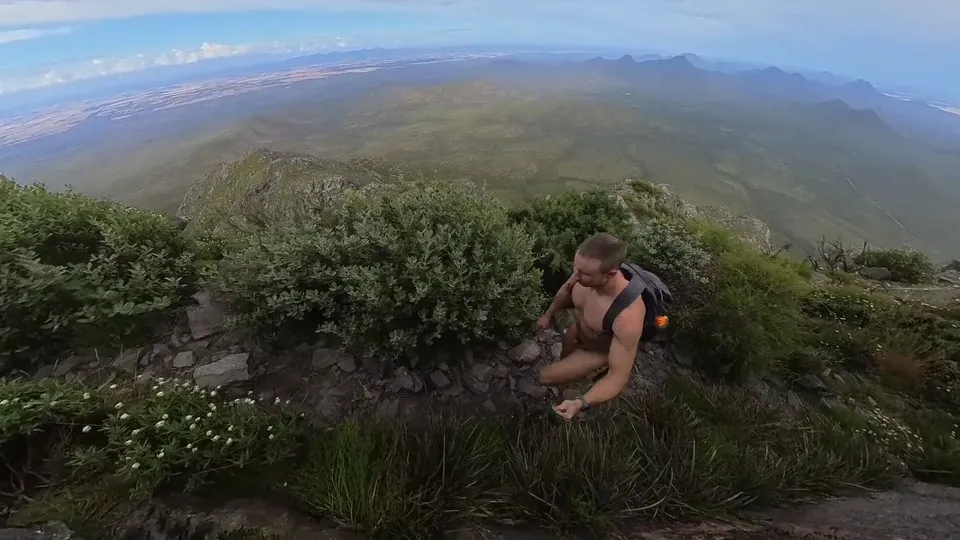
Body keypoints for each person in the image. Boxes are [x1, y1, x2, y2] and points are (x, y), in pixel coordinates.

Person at [536, 233, 646, 421]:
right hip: (578, 330)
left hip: (599, 349)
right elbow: (566, 290)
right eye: (576, 267)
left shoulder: (628, 315)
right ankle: (570, 378)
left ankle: (588, 378)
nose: (576, 276)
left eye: (584, 273)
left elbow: (618, 377)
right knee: (566, 350)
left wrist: (581, 403)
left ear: (610, 274)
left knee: (543, 377)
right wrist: (548, 314)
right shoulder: (583, 273)